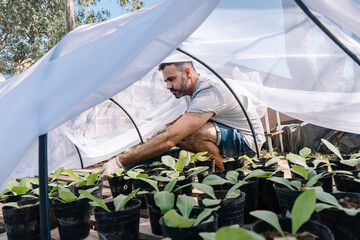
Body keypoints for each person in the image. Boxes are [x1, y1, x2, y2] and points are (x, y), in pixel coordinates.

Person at [103, 61, 265, 175]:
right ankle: (222, 168)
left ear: (187, 73)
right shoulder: (192, 91)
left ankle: (228, 175)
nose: (168, 86)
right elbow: (189, 116)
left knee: (187, 133)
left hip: (249, 143)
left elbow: (172, 137)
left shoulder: (209, 91)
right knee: (176, 132)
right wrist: (166, 126)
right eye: (166, 81)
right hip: (229, 136)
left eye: (171, 79)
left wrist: (120, 161)